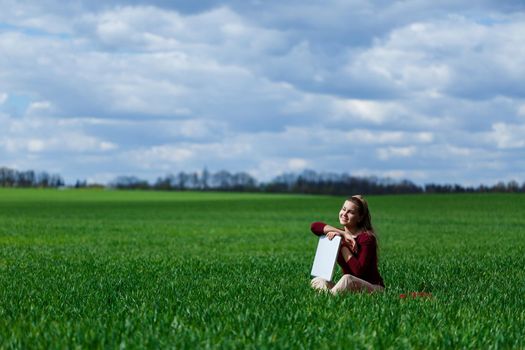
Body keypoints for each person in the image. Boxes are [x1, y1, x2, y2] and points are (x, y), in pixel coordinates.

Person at [310, 195, 384, 295]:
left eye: (351, 212)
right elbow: (314, 226)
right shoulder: (340, 234)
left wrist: (342, 245)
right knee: (319, 280)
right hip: (351, 288)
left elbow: (358, 272)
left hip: (373, 288)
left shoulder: (367, 238)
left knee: (347, 279)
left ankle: (327, 300)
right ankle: (331, 296)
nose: (344, 214)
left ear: (360, 218)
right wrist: (343, 234)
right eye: (343, 209)